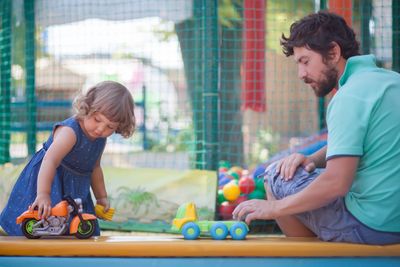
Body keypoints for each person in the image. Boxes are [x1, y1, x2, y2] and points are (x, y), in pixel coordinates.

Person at [233, 11, 400, 245]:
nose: (301, 74)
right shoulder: (391, 82)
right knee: (297, 171)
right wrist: (312, 159)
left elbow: (336, 183)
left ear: (333, 52)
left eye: (305, 61)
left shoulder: (348, 97)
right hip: (395, 221)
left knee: (275, 176)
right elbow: (369, 140)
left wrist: (273, 208)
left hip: (371, 226)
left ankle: (309, 256)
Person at [0, 81, 136, 236]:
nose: (100, 129)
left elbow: (95, 168)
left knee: (75, 228)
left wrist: (101, 197)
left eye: (110, 127)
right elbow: (49, 161)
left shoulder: (100, 139)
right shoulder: (70, 132)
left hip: (75, 188)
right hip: (50, 179)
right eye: (97, 120)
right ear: (87, 108)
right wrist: (43, 194)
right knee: (43, 218)